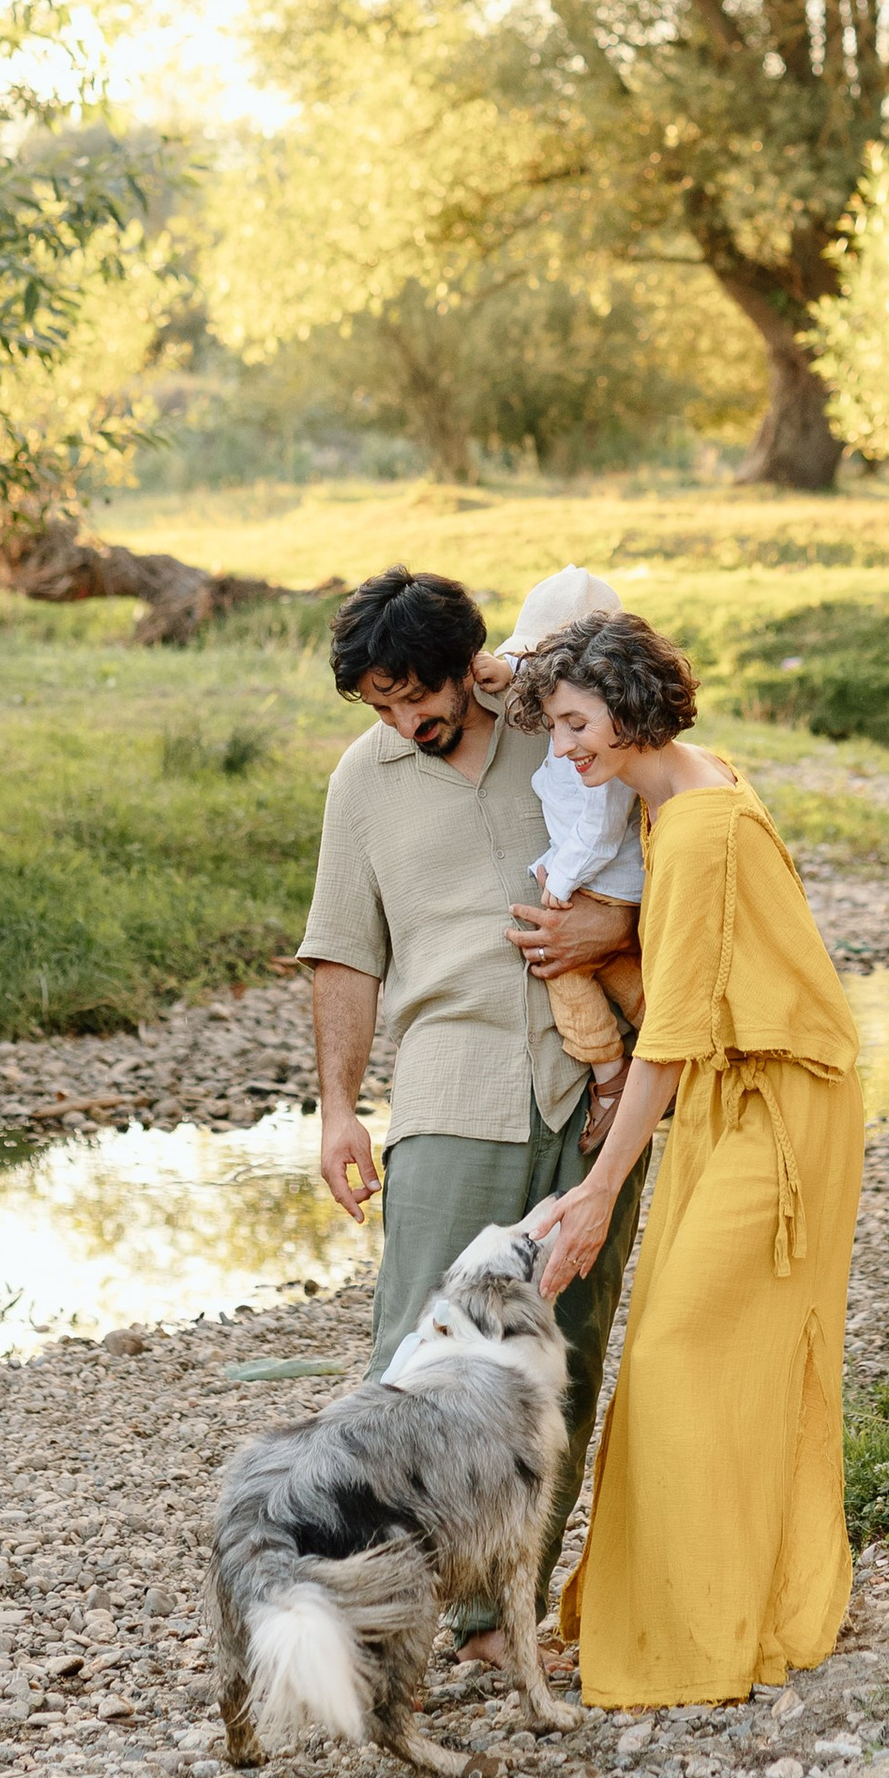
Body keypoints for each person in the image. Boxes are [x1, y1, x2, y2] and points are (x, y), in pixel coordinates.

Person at [522, 612, 864, 1708]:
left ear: (626, 706)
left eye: (575, 724)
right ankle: (716, 1595)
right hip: (735, 1089)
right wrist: (513, 675)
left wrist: (597, 1189)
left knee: (681, 1351)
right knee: (712, 1346)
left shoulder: (704, 825)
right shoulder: (666, 788)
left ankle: (702, 1627)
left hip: (775, 1095)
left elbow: (667, 1034)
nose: (565, 749)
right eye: (555, 727)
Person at [301, 565, 643, 1647]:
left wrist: (613, 937)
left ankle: (505, 1613)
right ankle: (368, 1607)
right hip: (453, 1093)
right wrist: (338, 1109)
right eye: (383, 705)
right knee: (416, 1360)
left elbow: (652, 851)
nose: (407, 720)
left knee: (560, 1361)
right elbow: (343, 956)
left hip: (597, 1095)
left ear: (466, 663)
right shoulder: (364, 782)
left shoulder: (554, 719)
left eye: (419, 696)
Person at [476, 563, 648, 1143]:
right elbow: (536, 670)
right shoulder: (569, 709)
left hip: (602, 877)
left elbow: (600, 831)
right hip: (593, 871)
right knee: (622, 970)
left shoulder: (603, 757)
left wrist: (561, 881)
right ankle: (668, 1047)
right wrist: (505, 669)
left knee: (564, 967)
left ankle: (610, 1074)